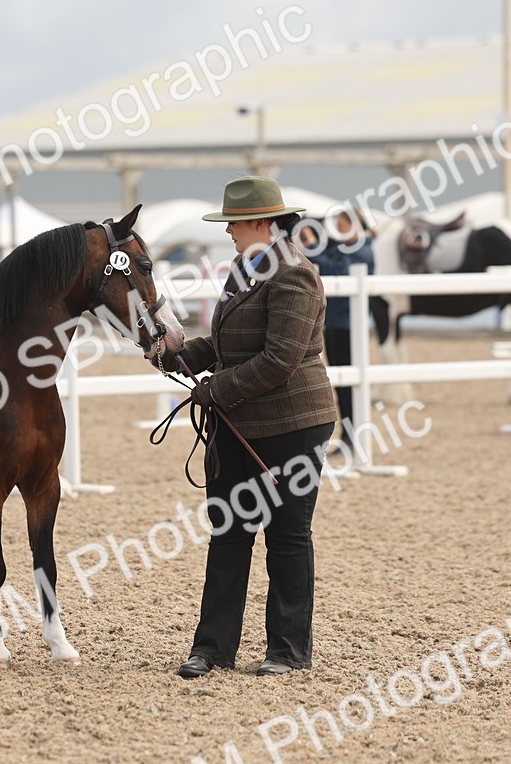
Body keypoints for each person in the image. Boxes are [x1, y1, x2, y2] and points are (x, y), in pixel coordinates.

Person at [158, 175, 338, 678]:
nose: (230, 234)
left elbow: (281, 358)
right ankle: (212, 648)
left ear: (262, 222)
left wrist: (214, 390)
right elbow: (231, 344)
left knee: (286, 535)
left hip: (294, 424)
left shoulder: (294, 274)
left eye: (235, 224)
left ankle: (287, 651)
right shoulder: (246, 268)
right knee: (229, 533)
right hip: (240, 422)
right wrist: (182, 354)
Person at [300, 211, 374, 454]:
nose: (337, 231)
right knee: (343, 384)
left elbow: (332, 270)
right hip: (338, 325)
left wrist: (311, 244)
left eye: (341, 226)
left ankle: (353, 437)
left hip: (348, 326)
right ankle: (349, 437)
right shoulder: (346, 249)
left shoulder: (361, 252)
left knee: (349, 385)